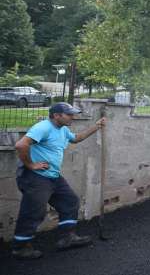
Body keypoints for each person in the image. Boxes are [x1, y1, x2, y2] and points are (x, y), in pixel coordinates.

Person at [11, 102, 107, 260]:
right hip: (36, 177)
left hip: (53, 177)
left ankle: (67, 238)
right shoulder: (44, 127)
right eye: (69, 114)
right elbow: (21, 145)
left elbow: (76, 138)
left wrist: (97, 126)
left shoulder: (62, 129)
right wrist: (30, 164)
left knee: (70, 202)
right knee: (33, 211)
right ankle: (21, 247)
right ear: (56, 115)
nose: (73, 117)